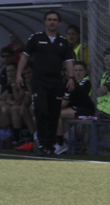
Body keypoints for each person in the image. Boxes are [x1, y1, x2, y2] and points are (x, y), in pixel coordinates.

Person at [17, 11, 76, 155]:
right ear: (44, 22)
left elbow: (69, 62)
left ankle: (50, 144)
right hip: (40, 80)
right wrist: (19, 74)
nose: (52, 22)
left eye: (55, 20)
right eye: (49, 19)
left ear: (59, 23)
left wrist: (71, 78)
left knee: (54, 113)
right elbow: (24, 57)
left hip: (56, 82)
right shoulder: (36, 38)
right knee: (41, 111)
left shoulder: (63, 42)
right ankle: (42, 142)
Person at [54, 61, 96, 154]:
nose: (78, 72)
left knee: (55, 113)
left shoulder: (85, 82)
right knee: (56, 115)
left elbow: (63, 103)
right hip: (75, 108)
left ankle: (60, 144)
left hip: (86, 110)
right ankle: (61, 141)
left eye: (80, 70)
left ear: (85, 72)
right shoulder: (68, 83)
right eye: (75, 70)